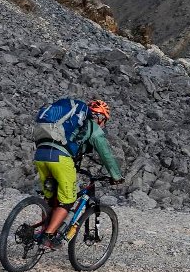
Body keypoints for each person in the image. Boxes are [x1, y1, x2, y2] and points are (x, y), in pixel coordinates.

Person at [33, 99, 123, 250]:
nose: (103, 124)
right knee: (67, 201)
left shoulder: (70, 125)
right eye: (104, 121)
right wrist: (116, 176)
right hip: (60, 159)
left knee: (50, 199)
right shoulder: (92, 126)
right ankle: (47, 238)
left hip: (41, 155)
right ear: (100, 118)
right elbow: (105, 154)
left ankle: (42, 230)